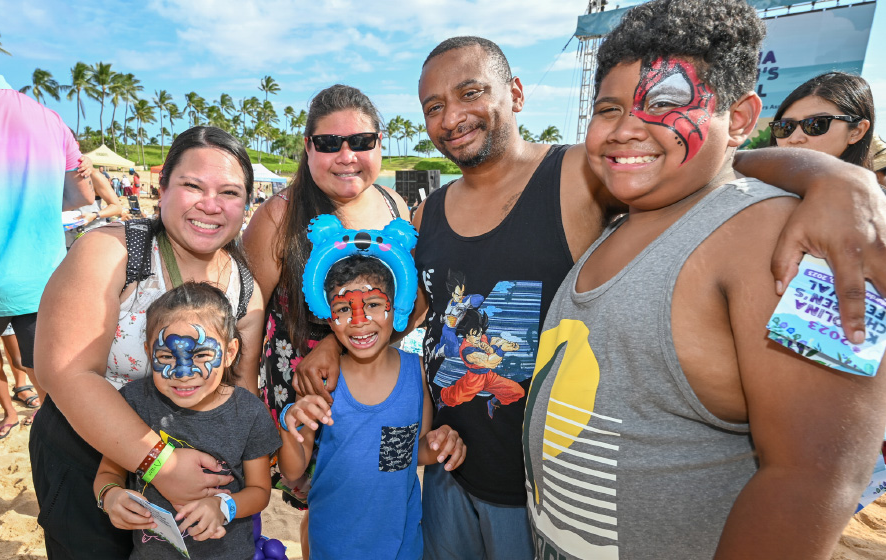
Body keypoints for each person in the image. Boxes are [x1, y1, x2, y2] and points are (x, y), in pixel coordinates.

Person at [296, 34, 886, 559]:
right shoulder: (430, 212)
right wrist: (329, 344)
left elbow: (693, 161)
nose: (453, 116)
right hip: (450, 472)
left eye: (471, 92)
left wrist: (834, 176)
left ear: (517, 93)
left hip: (539, 495)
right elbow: (406, 312)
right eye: (434, 106)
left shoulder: (582, 173)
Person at [525, 2, 886, 558]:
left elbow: (819, 475)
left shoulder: (793, 241)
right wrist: (829, 171)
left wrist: (842, 181)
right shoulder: (629, 213)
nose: (624, 130)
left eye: (663, 104)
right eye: (608, 108)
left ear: (739, 118)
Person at [30, 126, 265, 559]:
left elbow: (242, 394)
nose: (210, 205)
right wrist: (160, 463)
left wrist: (238, 484)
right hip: (90, 460)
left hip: (194, 478)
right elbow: (64, 371)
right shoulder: (115, 251)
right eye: (192, 185)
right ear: (162, 188)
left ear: (247, 204)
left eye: (229, 192)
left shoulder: (244, 289)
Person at [242, 83, 410, 556]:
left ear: (379, 143)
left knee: (373, 495)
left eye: (361, 141)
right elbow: (247, 322)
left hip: (376, 385)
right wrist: (240, 408)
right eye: (328, 143)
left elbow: (410, 308)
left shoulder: (397, 209)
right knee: (322, 502)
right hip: (304, 391)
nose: (346, 155)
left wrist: (334, 344)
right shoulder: (278, 216)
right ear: (307, 147)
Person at [278, 248, 466, 559]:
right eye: (343, 309)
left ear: (397, 308)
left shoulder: (417, 374)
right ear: (329, 317)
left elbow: (412, 451)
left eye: (374, 305)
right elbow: (294, 469)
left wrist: (442, 443)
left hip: (400, 543)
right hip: (333, 543)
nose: (359, 321)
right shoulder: (321, 381)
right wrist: (289, 427)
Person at [95, 282, 280, 559]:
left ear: (229, 353)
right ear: (149, 352)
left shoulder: (250, 413)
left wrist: (222, 506)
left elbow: (259, 491)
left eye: (202, 355)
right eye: (166, 356)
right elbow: (108, 474)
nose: (183, 373)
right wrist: (110, 497)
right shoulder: (132, 402)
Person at [0, 16, 93, 439]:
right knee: (56, 401)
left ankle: (11, 413)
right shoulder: (48, 118)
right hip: (41, 279)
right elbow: (80, 199)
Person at [769, 71, 875, 168]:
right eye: (785, 127)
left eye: (816, 125)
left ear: (856, 132)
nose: (795, 139)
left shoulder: (870, 189)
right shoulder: (756, 186)